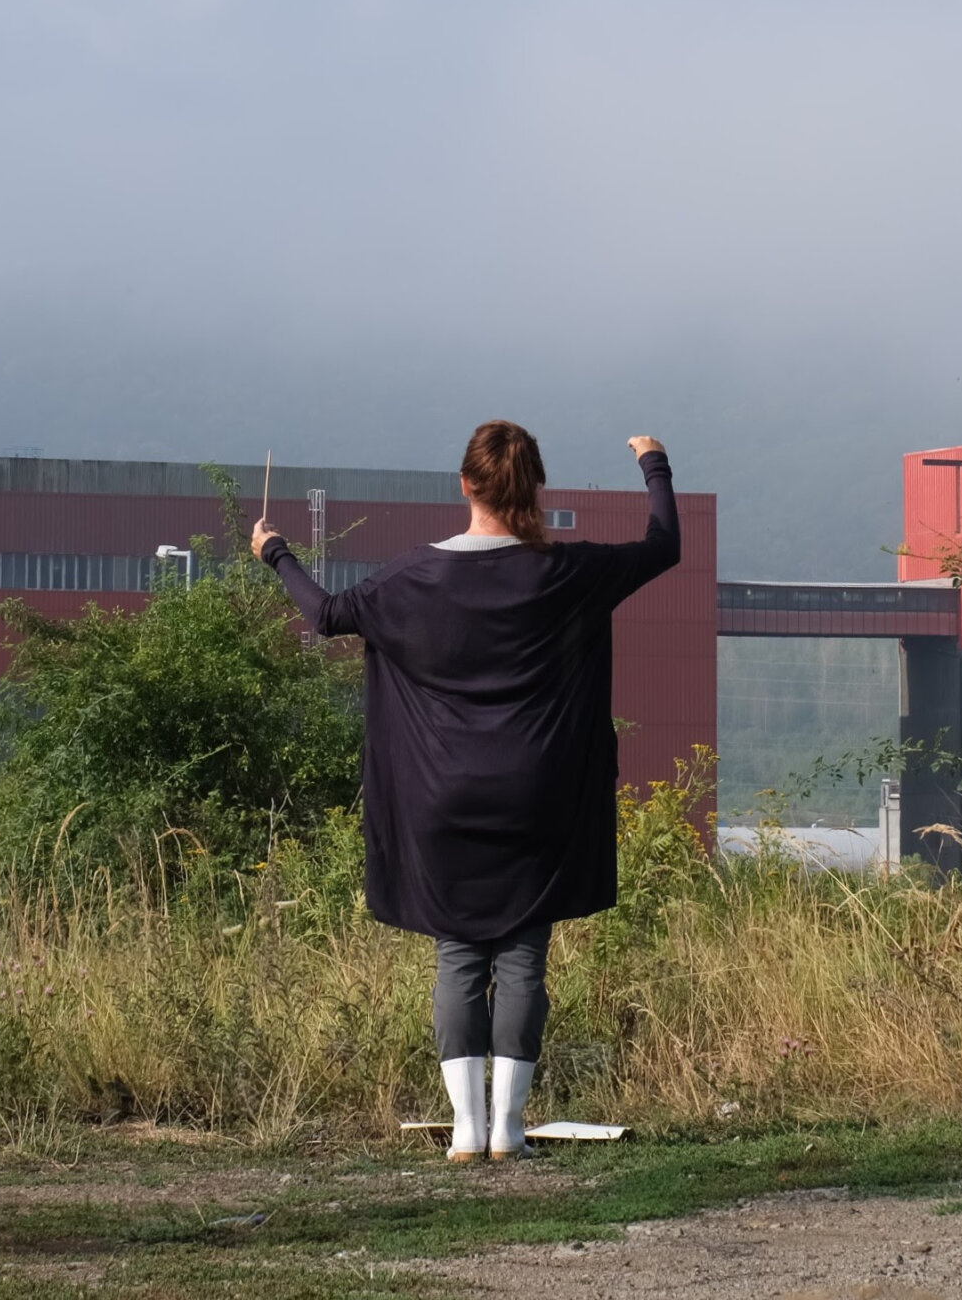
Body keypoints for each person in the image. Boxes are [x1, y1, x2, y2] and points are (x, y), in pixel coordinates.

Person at [252, 422, 681, 1161]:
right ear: (535, 487)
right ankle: (510, 1129)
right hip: (540, 798)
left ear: (465, 485)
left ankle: (465, 1130)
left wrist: (275, 552)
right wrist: (654, 464)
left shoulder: (413, 578)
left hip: (440, 801)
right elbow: (663, 545)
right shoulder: (568, 572)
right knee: (523, 960)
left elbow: (325, 615)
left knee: (458, 956)